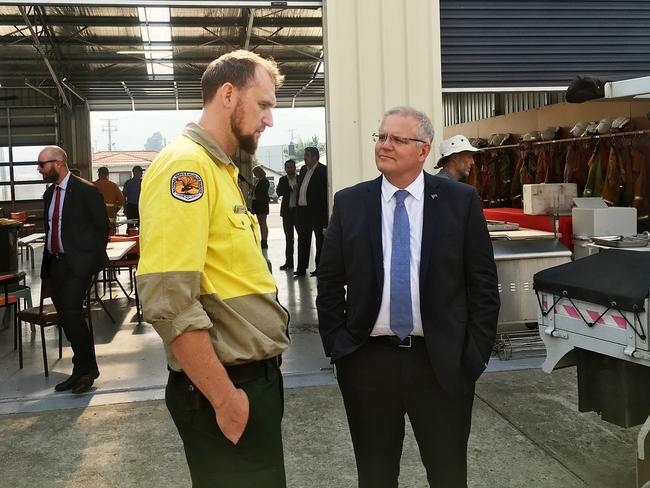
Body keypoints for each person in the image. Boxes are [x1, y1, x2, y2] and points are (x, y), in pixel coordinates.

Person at [316, 107, 499, 488]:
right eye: (381, 137)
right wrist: (339, 347)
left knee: (448, 473)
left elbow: (482, 286)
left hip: (440, 364)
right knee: (376, 474)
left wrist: (473, 357)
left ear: (423, 150)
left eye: (397, 139)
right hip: (367, 362)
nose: (385, 145)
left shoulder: (460, 201)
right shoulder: (351, 203)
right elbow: (330, 283)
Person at [136, 50, 290, 488]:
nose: (269, 120)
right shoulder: (187, 167)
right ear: (228, 94)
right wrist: (226, 399)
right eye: (264, 105)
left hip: (248, 380)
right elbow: (167, 300)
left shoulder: (220, 169)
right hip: (224, 386)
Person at [37, 146, 109, 394]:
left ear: (58, 163)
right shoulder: (49, 195)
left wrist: (88, 263)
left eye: (42, 164)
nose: (39, 169)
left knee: (72, 312)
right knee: (67, 317)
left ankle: (87, 370)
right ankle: (81, 369)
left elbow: (102, 228)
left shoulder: (86, 191)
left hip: (78, 265)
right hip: (55, 263)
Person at [295, 146, 328, 277]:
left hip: (316, 212)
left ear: (315, 157)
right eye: (305, 155)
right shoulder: (303, 170)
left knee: (320, 241)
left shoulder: (323, 170)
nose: (304, 158)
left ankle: (319, 268)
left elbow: (323, 194)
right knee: (303, 240)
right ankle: (301, 268)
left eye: (307, 155)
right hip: (302, 212)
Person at [275, 159, 298, 270]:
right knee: (289, 239)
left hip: (299, 213)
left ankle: (301, 265)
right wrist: (290, 189)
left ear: (295, 168)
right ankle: (289, 263)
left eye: (291, 167)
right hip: (287, 213)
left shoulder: (300, 179)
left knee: (302, 239)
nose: (290, 169)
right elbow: (279, 192)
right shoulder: (282, 180)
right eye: (288, 167)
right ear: (285, 169)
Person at [93, 166, 124, 235]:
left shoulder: (93, 185)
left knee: (98, 237)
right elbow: (121, 200)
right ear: (107, 174)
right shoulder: (113, 186)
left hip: (96, 217)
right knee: (111, 238)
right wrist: (115, 210)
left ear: (99, 174)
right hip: (110, 217)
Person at [251, 165, 270, 249]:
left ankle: (264, 240)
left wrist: (254, 188)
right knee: (260, 223)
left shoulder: (265, 181)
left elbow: (263, 191)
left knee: (263, 223)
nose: (254, 175)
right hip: (257, 203)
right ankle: (261, 239)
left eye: (255, 173)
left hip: (262, 204)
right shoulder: (258, 180)